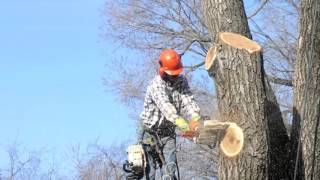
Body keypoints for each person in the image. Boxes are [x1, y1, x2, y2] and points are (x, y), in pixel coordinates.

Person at [139, 49, 201, 180]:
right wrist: (182, 124)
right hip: (149, 132)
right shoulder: (156, 85)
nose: (174, 77)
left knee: (170, 171)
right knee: (149, 173)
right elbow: (166, 107)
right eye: (171, 74)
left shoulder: (181, 81)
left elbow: (187, 99)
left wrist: (195, 117)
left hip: (167, 133)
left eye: (175, 74)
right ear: (163, 70)